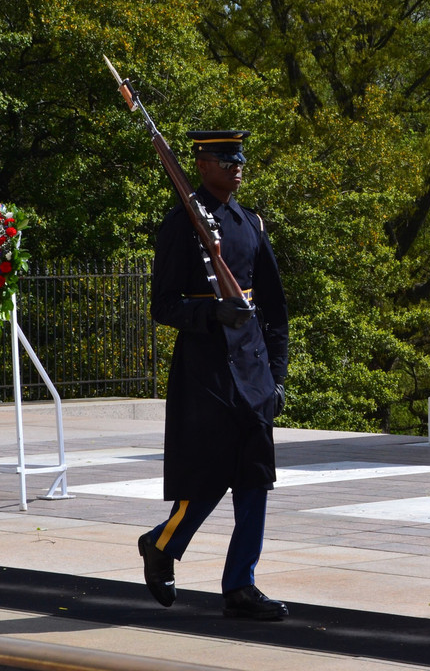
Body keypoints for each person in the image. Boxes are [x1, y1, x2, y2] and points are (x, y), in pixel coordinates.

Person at [138, 130, 289, 620]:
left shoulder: (250, 224)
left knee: (254, 479)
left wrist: (277, 376)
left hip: (251, 368)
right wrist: (209, 316)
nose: (237, 165)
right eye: (226, 158)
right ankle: (162, 544)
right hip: (205, 369)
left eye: (240, 157)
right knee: (206, 475)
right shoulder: (182, 224)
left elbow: (275, 310)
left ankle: (240, 586)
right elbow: (163, 305)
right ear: (201, 164)